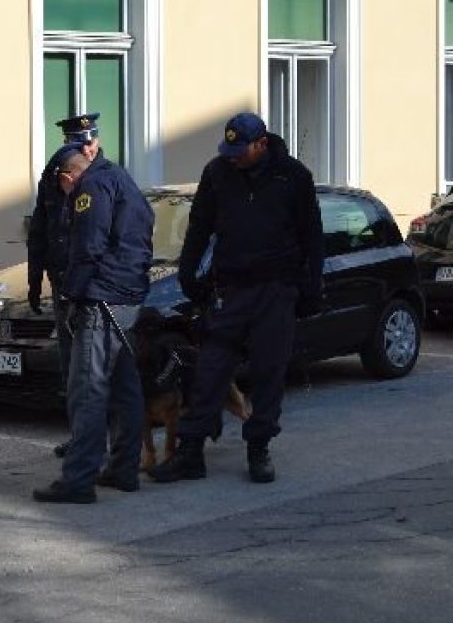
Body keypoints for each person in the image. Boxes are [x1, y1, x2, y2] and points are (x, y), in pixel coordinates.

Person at [149, 112, 323, 485]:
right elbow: (199, 226)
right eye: (229, 151)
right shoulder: (217, 173)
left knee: (268, 372)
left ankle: (259, 447)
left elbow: (312, 235)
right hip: (229, 289)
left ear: (262, 144)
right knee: (209, 369)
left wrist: (312, 287)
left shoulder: (293, 176)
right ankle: (191, 452)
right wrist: (188, 272)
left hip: (275, 289)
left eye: (241, 151)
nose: (234, 158)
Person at [33, 145, 153, 504]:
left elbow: (88, 246)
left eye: (62, 189)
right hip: (126, 295)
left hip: (100, 298)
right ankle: (124, 468)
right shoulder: (120, 178)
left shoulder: (91, 187)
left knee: (87, 388)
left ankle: (79, 479)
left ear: (67, 177)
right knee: (124, 386)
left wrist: (71, 294)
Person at [28, 113, 105, 457]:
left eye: (89, 144)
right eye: (77, 146)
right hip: (62, 283)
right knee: (70, 365)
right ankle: (79, 435)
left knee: (92, 368)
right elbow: (39, 232)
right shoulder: (53, 177)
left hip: (92, 288)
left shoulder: (105, 178)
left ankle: (97, 441)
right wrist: (34, 279)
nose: (86, 151)